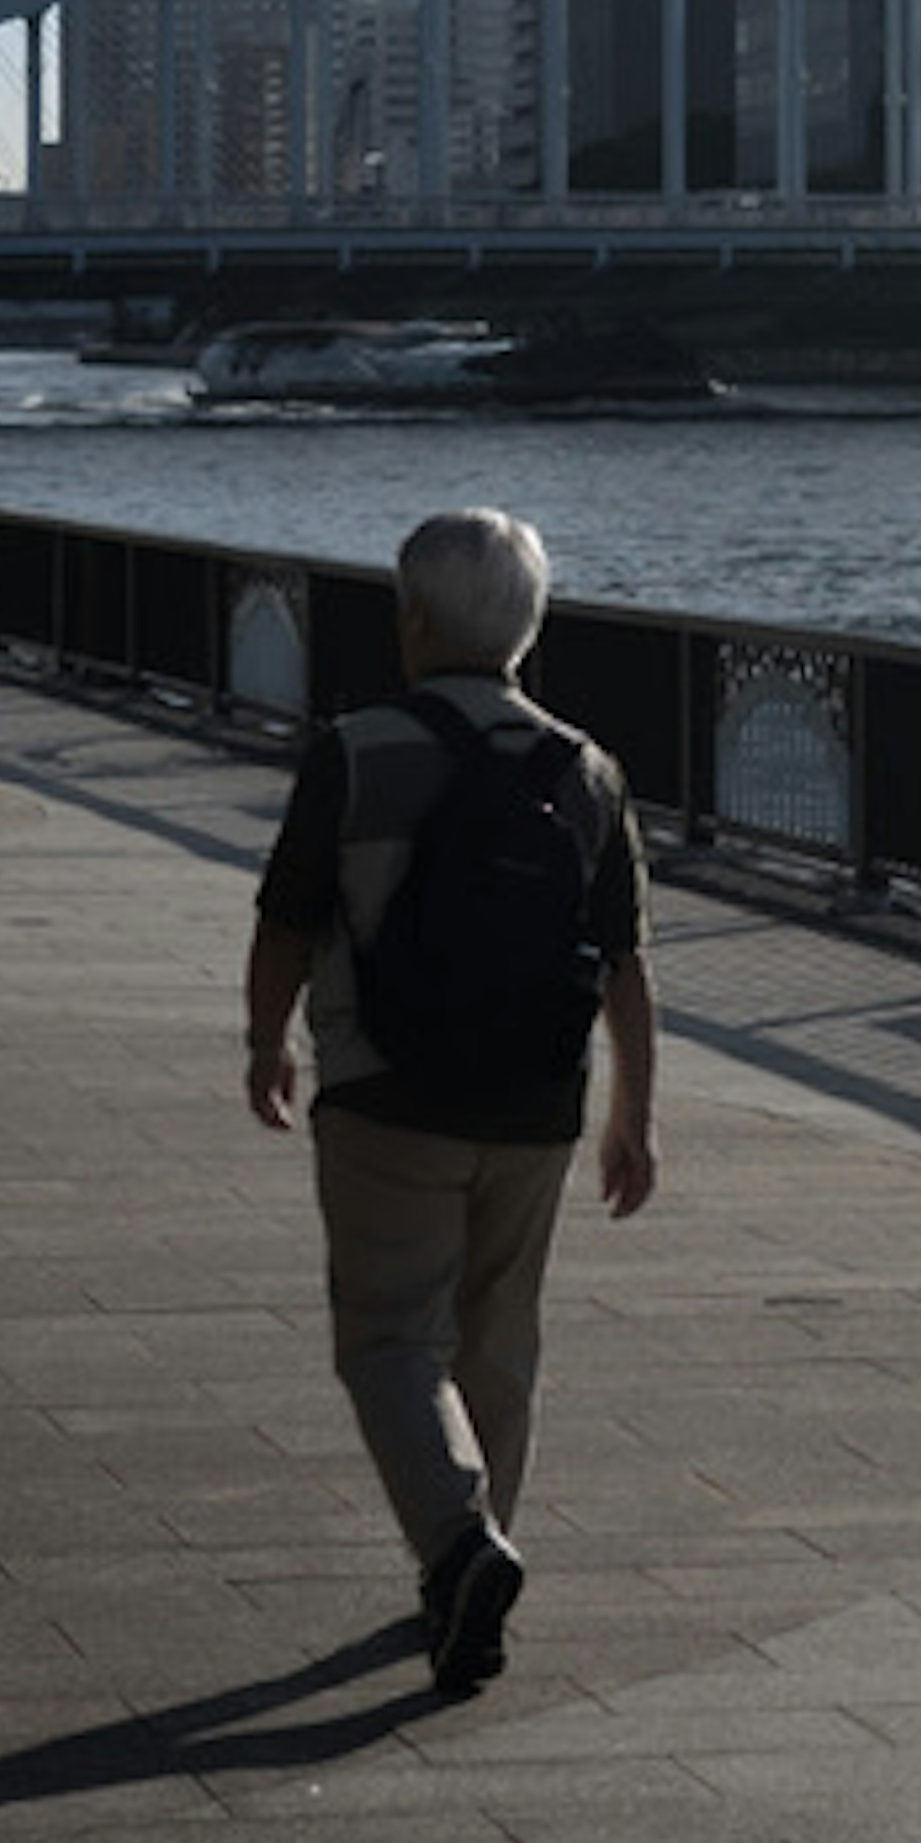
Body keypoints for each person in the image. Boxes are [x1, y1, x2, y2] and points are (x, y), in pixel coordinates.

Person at [243, 505, 657, 1697]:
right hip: (535, 1099)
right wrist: (635, 1109)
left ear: (413, 619)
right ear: (532, 629)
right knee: (499, 1336)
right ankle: (476, 1573)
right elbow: (624, 958)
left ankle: (460, 1546)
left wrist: (266, 1040)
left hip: (386, 1092)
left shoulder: (358, 748)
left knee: (389, 1334)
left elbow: (286, 918)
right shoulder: (585, 769)